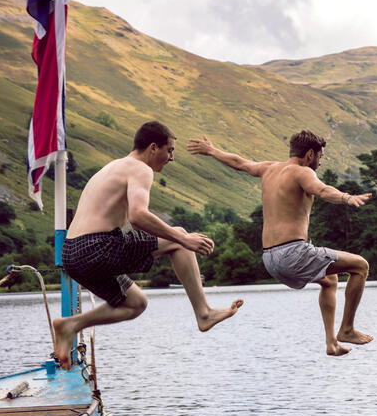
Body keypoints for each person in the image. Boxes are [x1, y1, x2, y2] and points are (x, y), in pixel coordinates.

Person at [52, 121, 243, 368]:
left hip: (73, 254)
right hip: (96, 247)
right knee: (180, 237)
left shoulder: (113, 167)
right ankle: (203, 313)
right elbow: (138, 216)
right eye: (170, 150)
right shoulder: (140, 169)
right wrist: (183, 239)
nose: (172, 158)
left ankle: (70, 325)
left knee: (136, 303)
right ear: (153, 148)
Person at [187, 130, 373, 356]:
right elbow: (322, 190)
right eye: (320, 157)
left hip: (269, 259)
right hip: (293, 254)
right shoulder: (302, 172)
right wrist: (346, 197)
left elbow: (240, 163)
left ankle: (331, 343)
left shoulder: (268, 168)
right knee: (360, 266)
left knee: (330, 279)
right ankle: (347, 329)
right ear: (309, 154)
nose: (320, 163)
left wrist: (212, 151)